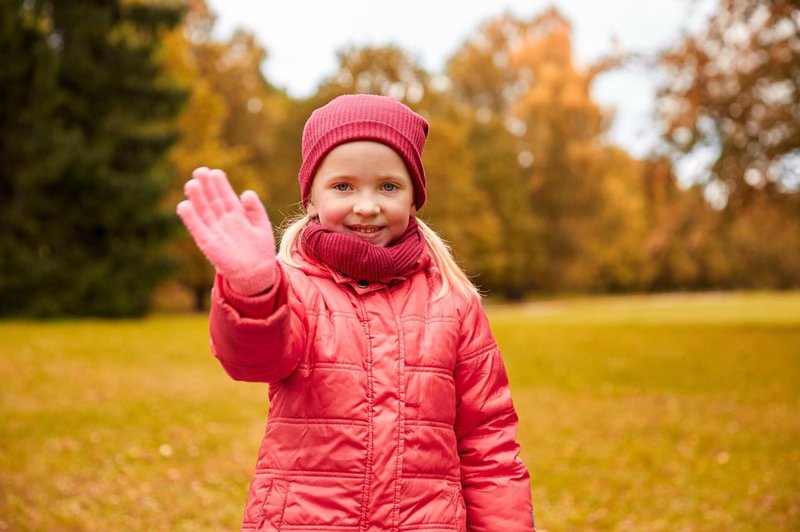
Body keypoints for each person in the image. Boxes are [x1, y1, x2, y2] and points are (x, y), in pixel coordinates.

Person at [177, 94, 534, 531]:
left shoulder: (452, 302)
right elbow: (254, 359)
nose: (366, 205)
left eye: (388, 186)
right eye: (343, 186)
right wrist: (253, 288)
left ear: (415, 200)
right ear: (311, 198)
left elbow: (488, 443)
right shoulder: (295, 290)